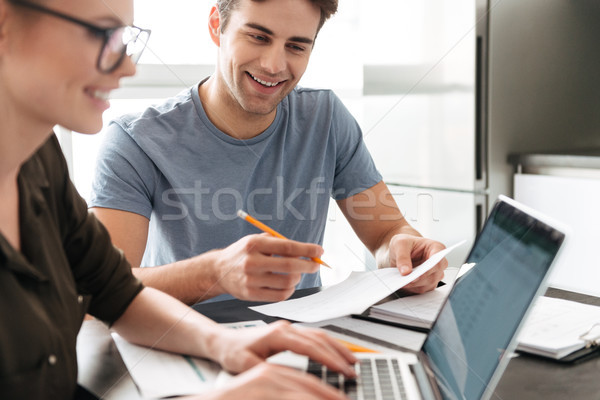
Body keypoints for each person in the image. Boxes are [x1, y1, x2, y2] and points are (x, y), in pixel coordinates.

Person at [0, 0, 358, 399]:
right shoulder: (133, 139)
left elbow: (114, 290)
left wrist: (226, 344)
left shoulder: (38, 160)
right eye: (101, 34)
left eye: (125, 39)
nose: (128, 67)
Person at [90, 0, 449, 306]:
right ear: (217, 26)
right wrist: (214, 274)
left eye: (296, 46)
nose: (274, 65)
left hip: (303, 345)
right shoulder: (134, 141)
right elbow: (101, 291)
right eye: (258, 37)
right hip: (187, 354)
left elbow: (386, 233)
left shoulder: (326, 118)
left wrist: (404, 249)